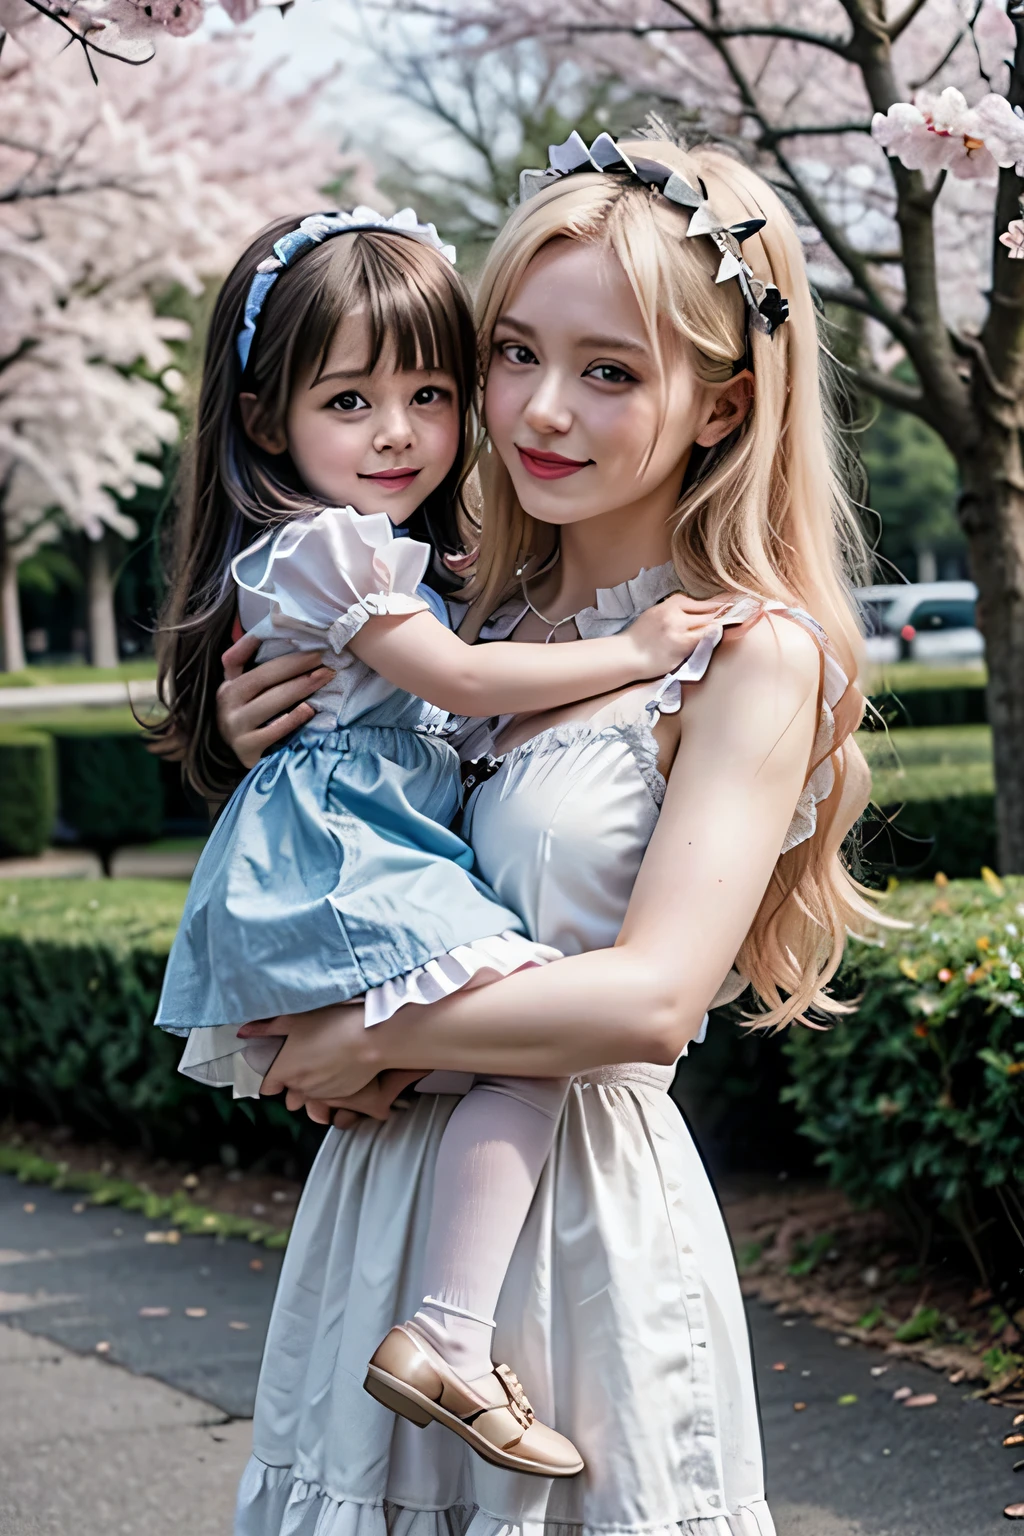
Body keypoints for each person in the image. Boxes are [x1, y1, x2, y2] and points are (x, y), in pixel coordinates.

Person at [217, 131, 875, 1536]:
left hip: (579, 1225)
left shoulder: (748, 653)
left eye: (612, 371)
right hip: (381, 1205)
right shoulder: (462, 621)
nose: (543, 412)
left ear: (722, 404)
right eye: (512, 353)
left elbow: (650, 1003)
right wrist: (254, 736)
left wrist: (370, 1037)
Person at [152, 202, 717, 1477]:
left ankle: (452, 1333)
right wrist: (629, 653)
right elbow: (457, 686)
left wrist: (361, 1034)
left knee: (528, 1031)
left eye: (430, 391)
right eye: (348, 401)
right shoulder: (344, 554)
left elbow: (646, 1003)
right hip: (362, 913)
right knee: (527, 1019)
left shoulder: (434, 569)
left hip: (544, 1182)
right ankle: (452, 1335)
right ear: (266, 420)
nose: (400, 431)